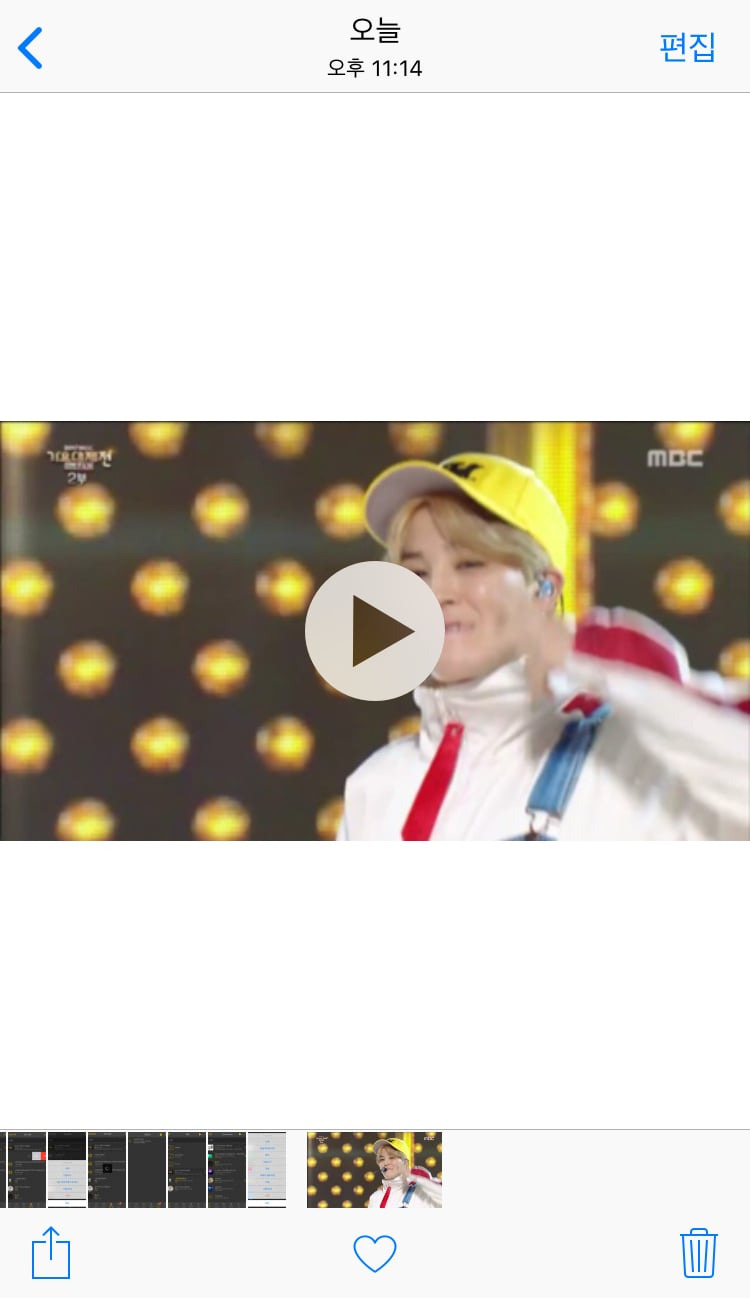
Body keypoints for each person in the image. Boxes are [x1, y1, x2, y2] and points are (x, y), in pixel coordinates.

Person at [337, 452, 749, 841]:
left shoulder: (635, 761)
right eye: (417, 571)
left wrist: (589, 650)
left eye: (470, 563)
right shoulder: (376, 789)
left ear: (545, 589)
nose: (437, 591)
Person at [367, 1138, 442, 1208]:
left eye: (392, 1157)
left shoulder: (421, 1193)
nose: (386, 1163)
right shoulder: (375, 1198)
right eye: (382, 1159)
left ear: (405, 1162)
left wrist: (418, 1179)